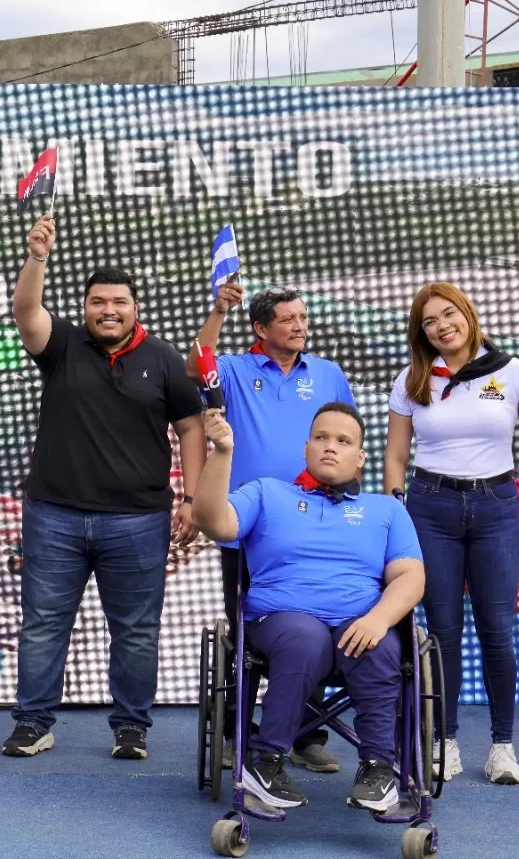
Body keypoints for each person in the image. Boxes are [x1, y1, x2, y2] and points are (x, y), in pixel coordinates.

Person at [3, 213, 206, 760]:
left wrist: (190, 499)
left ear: (135, 308)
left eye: (118, 302)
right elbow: (25, 310)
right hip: (54, 515)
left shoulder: (164, 358)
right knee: (44, 624)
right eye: (98, 302)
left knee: (137, 631)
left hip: (139, 520)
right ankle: (33, 722)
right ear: (85, 307)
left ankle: (132, 728)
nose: (108, 311)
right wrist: (38, 256)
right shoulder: (62, 344)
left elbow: (190, 427)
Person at [383, 282, 519, 785]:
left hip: (496, 508)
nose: (441, 326)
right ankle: (445, 741)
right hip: (431, 509)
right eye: (429, 322)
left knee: (497, 631)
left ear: (467, 314)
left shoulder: (512, 371)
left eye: (447, 314)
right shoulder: (414, 378)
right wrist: (394, 508)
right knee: (444, 631)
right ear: (422, 332)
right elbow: (395, 455)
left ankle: (502, 747)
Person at [192, 402, 425, 812]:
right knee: (306, 637)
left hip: (360, 622)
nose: (330, 447)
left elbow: (410, 577)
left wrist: (378, 620)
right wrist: (223, 452)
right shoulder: (266, 492)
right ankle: (264, 762)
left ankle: (379, 769)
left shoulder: (386, 509)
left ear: (360, 458)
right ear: (306, 448)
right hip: (281, 622)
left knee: (383, 645)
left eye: (343, 440)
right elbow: (213, 520)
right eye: (321, 438)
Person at [188, 280, 357, 774]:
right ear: (260, 328)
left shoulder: (327, 373)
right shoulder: (236, 370)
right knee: (247, 633)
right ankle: (235, 732)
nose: (301, 326)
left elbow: (347, 440)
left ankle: (306, 734)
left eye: (303, 318)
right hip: (249, 524)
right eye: (288, 319)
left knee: (316, 623)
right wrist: (218, 310)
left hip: (316, 523)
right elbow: (195, 361)